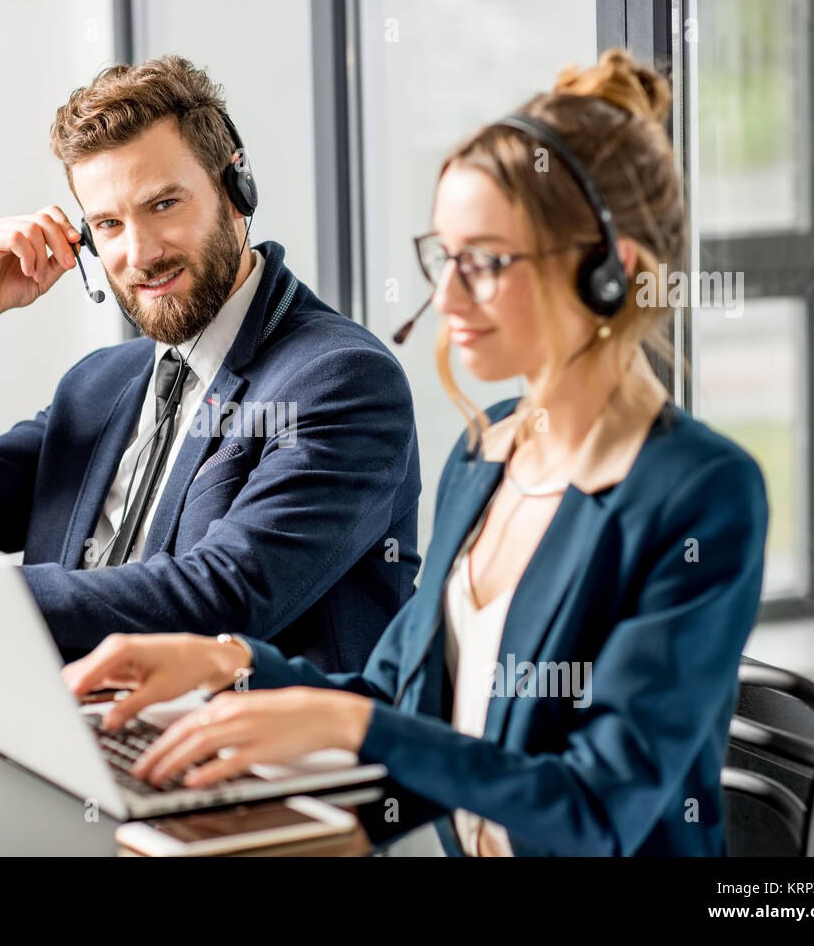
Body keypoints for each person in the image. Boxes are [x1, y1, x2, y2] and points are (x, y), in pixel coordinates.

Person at [63, 49, 770, 856]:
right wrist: (225, 663)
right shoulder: (490, 452)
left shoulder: (701, 492)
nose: (448, 299)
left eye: (488, 262)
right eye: (445, 257)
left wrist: (348, 721)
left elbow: (596, 807)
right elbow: (401, 699)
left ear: (611, 273)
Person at [0, 56, 422, 671]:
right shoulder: (102, 384)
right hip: (67, 732)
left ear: (235, 189)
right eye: (107, 224)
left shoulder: (341, 380)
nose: (140, 253)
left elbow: (224, 596)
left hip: (249, 770)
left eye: (164, 204)